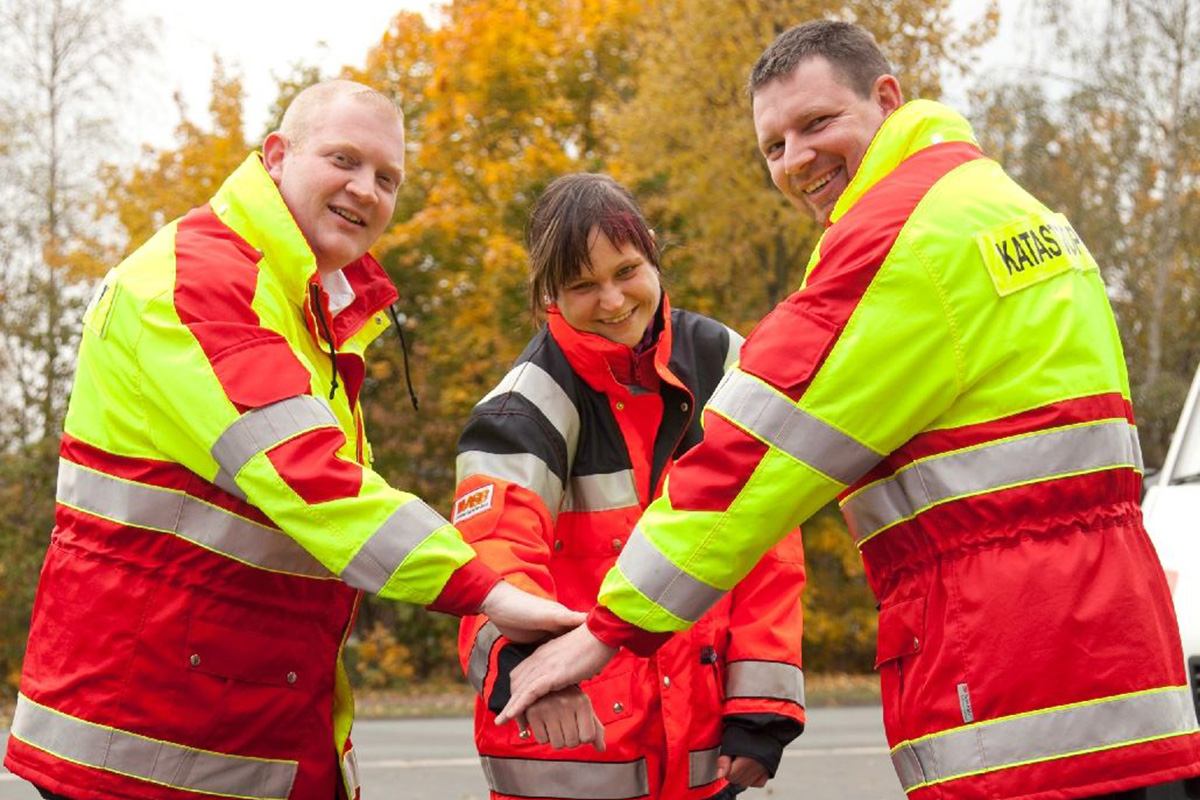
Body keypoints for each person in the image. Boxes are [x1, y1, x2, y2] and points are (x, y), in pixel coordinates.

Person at [495, 20, 1200, 800]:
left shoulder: (897, 239)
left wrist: (606, 629)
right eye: (774, 145)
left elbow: (748, 468)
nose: (797, 160)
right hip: (1124, 672)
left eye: (818, 123)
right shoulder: (1015, 211)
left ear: (887, 99)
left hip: (1016, 680)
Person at [3, 79, 582, 800]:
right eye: (343, 159)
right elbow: (315, 481)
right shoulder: (201, 283)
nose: (366, 190)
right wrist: (487, 591)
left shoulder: (304, 307)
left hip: (237, 726)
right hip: (148, 746)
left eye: (388, 178)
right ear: (276, 156)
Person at [452, 173, 807, 799]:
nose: (613, 301)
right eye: (583, 285)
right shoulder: (520, 409)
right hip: (572, 746)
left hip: (702, 752)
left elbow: (767, 537)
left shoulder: (726, 362)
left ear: (652, 254)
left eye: (627, 271)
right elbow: (490, 558)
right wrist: (527, 665)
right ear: (548, 297)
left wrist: (761, 708)